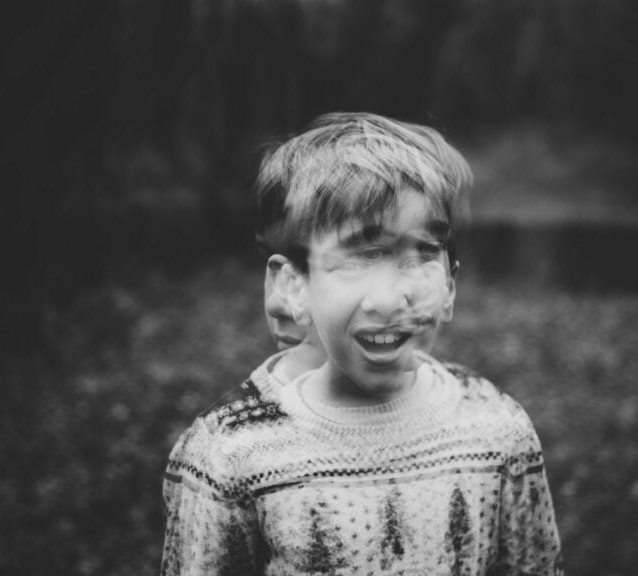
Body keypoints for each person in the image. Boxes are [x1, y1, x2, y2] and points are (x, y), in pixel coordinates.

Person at [160, 113, 563, 575]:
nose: (390, 299)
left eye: (422, 253)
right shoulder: (230, 454)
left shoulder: (498, 430)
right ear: (294, 287)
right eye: (358, 260)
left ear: (450, 286)